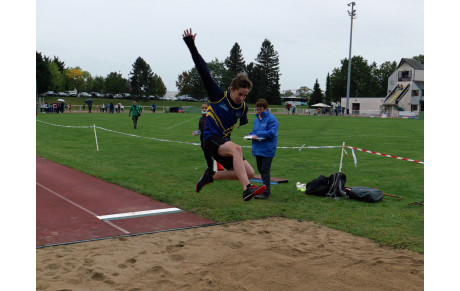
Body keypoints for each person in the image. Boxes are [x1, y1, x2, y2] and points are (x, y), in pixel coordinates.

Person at [183, 28, 266, 201]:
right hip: (210, 139)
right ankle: (246, 189)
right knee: (237, 149)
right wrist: (191, 44)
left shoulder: (243, 107)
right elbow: (203, 70)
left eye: (245, 95)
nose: (241, 98)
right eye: (239, 94)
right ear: (231, 89)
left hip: (222, 143)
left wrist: (244, 120)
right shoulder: (218, 95)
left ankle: (211, 176)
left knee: (249, 172)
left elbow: (241, 118)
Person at [249, 99, 279, 199]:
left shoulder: (272, 119)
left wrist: (258, 134)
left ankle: (266, 192)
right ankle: (264, 188)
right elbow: (255, 132)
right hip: (257, 148)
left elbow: (271, 133)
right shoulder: (256, 120)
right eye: (257, 109)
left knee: (265, 171)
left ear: (265, 108)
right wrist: (250, 135)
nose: (258, 111)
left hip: (267, 149)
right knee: (260, 170)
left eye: (260, 109)